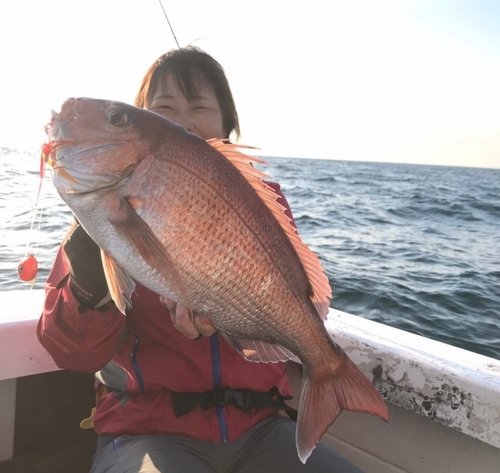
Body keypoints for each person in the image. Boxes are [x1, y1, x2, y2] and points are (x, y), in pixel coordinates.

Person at [38, 46, 364, 473]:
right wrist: (88, 284)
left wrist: (316, 355)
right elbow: (71, 353)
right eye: (163, 107)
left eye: (199, 106)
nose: (182, 119)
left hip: (262, 427)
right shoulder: (94, 223)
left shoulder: (261, 208)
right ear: (145, 127)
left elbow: (289, 286)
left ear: (227, 126)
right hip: (145, 431)